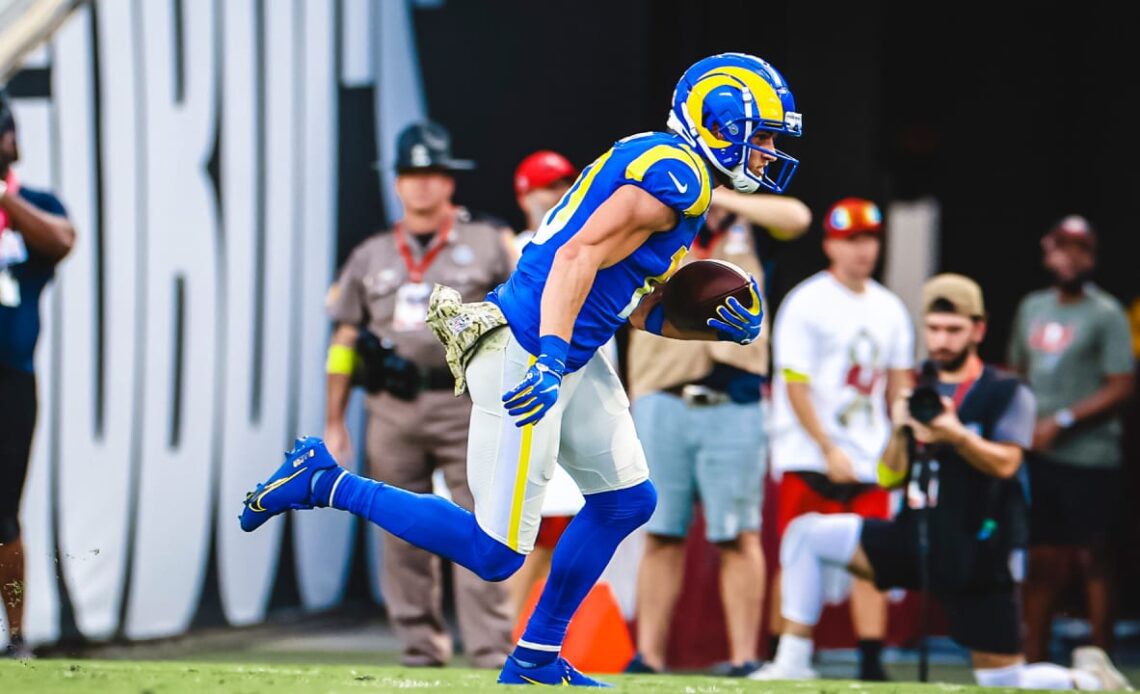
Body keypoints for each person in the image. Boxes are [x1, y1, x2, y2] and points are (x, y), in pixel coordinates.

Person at [240, 52, 803, 686]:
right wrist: (550, 361)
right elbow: (574, 260)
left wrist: (697, 323)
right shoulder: (678, 176)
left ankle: (534, 656)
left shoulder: (675, 172)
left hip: (562, 349)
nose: (766, 154)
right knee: (496, 552)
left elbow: (616, 298)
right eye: (763, 138)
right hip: (531, 349)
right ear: (721, 124)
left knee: (625, 501)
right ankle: (324, 481)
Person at [752, 273, 1133, 691]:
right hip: (917, 536)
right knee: (806, 534)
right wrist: (898, 431)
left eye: (954, 330)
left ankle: (1087, 681)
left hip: (978, 551)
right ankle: (791, 661)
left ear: (978, 329)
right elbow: (888, 477)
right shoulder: (920, 389)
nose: (942, 340)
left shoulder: (1007, 390)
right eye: (934, 329)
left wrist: (957, 435)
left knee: (1002, 680)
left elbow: (1007, 463)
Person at [320, 120, 517, 669]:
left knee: (484, 521)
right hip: (392, 406)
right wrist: (335, 420)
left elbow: (525, 310)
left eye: (432, 174)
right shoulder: (373, 252)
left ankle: (490, 647)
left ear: (449, 181)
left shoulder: (488, 241)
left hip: (468, 403)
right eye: (412, 174)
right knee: (398, 524)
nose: (423, 185)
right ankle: (420, 647)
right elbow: (344, 338)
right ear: (398, 183)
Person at [623, 189, 810, 677]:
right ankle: (649, 657)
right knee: (661, 532)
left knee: (739, 534)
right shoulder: (660, 216)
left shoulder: (751, 225)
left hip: (736, 401)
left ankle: (746, 657)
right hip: (664, 393)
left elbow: (797, 217)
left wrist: (724, 196)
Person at [764, 197, 913, 681]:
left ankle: (871, 660)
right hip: (810, 453)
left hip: (870, 456)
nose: (862, 250)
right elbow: (796, 385)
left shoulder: (890, 308)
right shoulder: (808, 301)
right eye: (851, 240)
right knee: (794, 553)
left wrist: (898, 445)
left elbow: (898, 387)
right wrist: (827, 447)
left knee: (874, 558)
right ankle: (782, 653)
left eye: (869, 239)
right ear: (830, 244)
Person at [1007, 215, 1135, 666]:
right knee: (1040, 557)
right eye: (1063, 248)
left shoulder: (1105, 313)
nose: (1071, 257)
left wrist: (1062, 419)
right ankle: (1032, 659)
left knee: (1092, 557)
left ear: (1093, 256)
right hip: (1040, 456)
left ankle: (1102, 656)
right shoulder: (1032, 308)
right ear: (1048, 253)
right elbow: (1019, 373)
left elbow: (1123, 384)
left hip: (1091, 457)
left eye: (1080, 249)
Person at [0, 86, 76, 659]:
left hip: (10, 380)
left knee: (4, 512)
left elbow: (63, 239)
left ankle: (18, 635)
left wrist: (5, 198)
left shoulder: (36, 205)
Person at [502, 149, 586, 618]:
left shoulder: (589, 242)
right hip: (527, 396)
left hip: (577, 399)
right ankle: (499, 635)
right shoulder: (512, 249)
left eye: (564, 185)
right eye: (547, 187)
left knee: (556, 534)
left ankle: (524, 637)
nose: (557, 194)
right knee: (523, 532)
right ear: (524, 195)